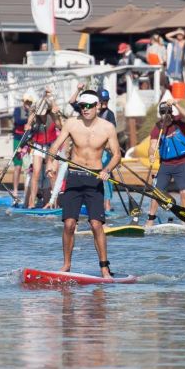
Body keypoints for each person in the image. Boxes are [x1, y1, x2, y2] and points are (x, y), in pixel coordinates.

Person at [45, 90, 121, 278]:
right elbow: (55, 147)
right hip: (74, 177)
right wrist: (50, 162)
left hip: (95, 178)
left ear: (97, 106)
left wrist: (107, 170)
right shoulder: (72, 123)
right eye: (82, 106)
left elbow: (117, 155)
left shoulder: (108, 127)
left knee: (96, 224)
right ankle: (66, 265)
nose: (85, 109)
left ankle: (104, 267)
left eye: (89, 106)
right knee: (69, 224)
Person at [146, 100, 185, 227]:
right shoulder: (157, 128)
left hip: (182, 163)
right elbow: (152, 145)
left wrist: (176, 104)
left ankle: (184, 220)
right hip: (166, 165)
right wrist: (151, 155)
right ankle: (150, 220)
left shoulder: (179, 121)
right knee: (157, 192)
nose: (165, 115)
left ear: (171, 112)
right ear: (160, 114)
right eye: (162, 113)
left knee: (184, 192)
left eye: (167, 112)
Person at [22, 91, 62, 208]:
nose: (41, 115)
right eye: (40, 113)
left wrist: (57, 113)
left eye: (43, 113)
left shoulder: (52, 115)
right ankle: (31, 203)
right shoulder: (34, 115)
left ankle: (55, 203)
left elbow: (60, 126)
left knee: (52, 174)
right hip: (38, 146)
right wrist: (28, 125)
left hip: (52, 146)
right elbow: (28, 125)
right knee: (36, 173)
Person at [12, 91, 36, 200]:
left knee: (29, 167)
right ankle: (15, 191)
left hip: (29, 140)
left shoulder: (33, 112)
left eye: (30, 102)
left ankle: (29, 192)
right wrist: (30, 118)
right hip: (18, 139)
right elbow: (19, 121)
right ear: (23, 102)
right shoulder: (18, 110)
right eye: (26, 102)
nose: (28, 104)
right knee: (18, 166)